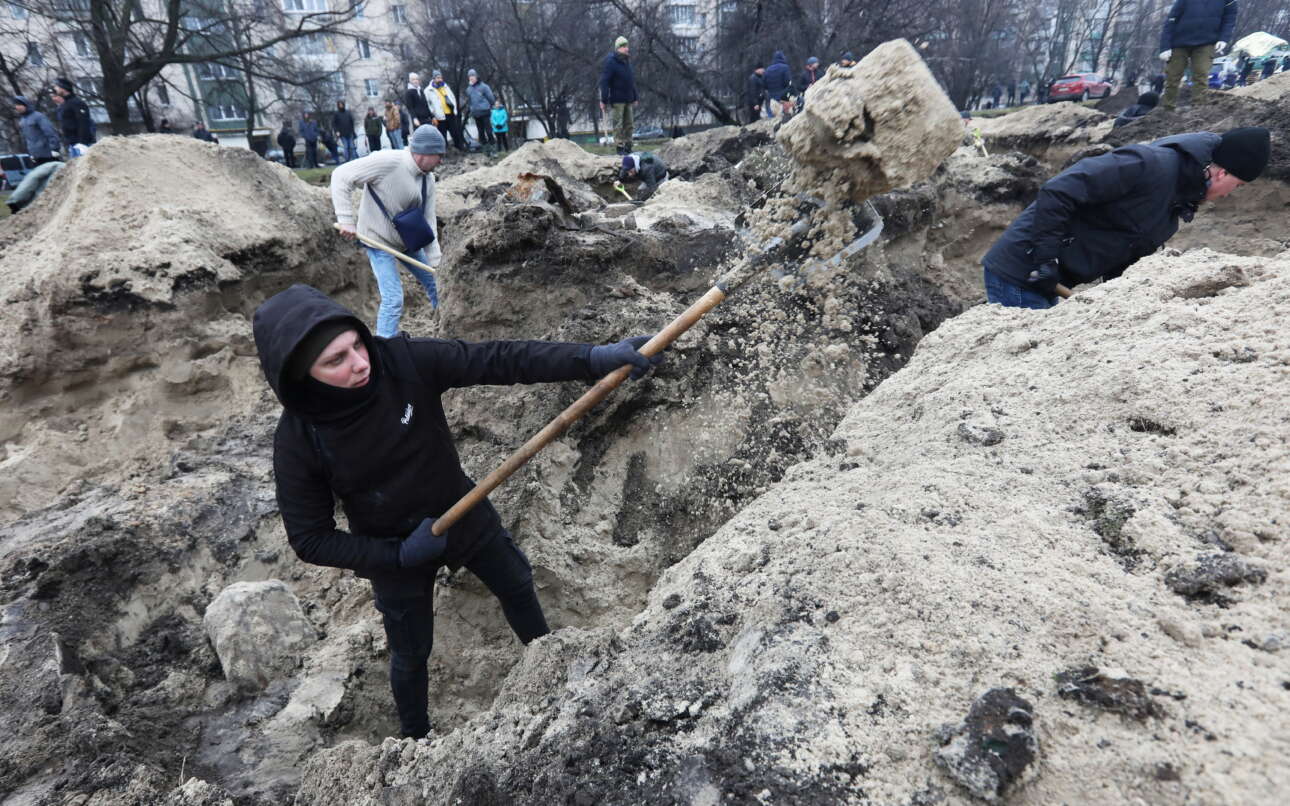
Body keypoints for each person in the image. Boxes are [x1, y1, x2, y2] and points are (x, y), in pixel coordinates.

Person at [250, 283, 663, 742]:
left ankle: (552, 664)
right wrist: (398, 555)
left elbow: (499, 359)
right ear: (302, 374)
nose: (360, 363)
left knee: (517, 585)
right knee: (410, 652)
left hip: (460, 508)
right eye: (336, 361)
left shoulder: (401, 362)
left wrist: (591, 359)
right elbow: (309, 539)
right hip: (391, 549)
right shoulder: (299, 440)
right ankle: (414, 740)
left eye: (356, 345)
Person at [981, 127, 1269, 309]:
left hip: (1052, 278)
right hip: (1021, 269)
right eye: (1238, 186)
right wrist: (1045, 258)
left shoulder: (1178, 199)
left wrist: (1117, 301)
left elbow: (1127, 248)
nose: (1230, 194)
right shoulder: (1148, 165)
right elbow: (1059, 191)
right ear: (1223, 173)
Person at [331, 125, 447, 336]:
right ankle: (383, 350)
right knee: (393, 299)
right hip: (378, 240)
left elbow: (428, 223)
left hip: (407, 241)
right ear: (424, 152)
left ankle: (447, 330)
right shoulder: (389, 162)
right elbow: (341, 175)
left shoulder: (427, 180)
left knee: (438, 285)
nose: (441, 161)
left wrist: (436, 262)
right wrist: (346, 219)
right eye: (439, 155)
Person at [1158, 0, 1238, 109]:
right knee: (1173, 77)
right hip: (1179, 42)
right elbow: (1171, 20)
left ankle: (1198, 110)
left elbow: (1229, 20)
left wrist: (1224, 38)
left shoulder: (1229, 1)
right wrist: (1165, 47)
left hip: (1206, 42)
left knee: (1201, 75)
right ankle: (1167, 109)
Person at [599, 36, 639, 154]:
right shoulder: (611, 61)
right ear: (618, 48)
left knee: (629, 124)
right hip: (617, 100)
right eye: (624, 46)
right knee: (618, 124)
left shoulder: (626, 61)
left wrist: (635, 96)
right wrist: (604, 100)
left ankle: (628, 146)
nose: (627, 49)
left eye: (627, 46)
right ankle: (620, 147)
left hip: (628, 99)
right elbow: (604, 81)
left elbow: (631, 80)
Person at [13, 95, 62, 165]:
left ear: (25, 105)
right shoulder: (22, 121)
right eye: (16, 105)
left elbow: (50, 132)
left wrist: (55, 149)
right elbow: (26, 139)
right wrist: (30, 154)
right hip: (35, 157)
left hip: (48, 155)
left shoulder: (38, 116)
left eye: (19, 105)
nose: (16, 107)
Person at [427, 70, 465, 151]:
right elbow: (428, 104)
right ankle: (444, 151)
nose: (440, 79)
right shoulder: (428, 90)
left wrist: (454, 109)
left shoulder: (445, 87)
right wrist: (433, 115)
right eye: (437, 78)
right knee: (442, 135)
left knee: (455, 133)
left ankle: (460, 148)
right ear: (433, 79)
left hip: (450, 113)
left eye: (440, 77)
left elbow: (452, 97)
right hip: (439, 116)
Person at [53, 78, 94, 151]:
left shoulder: (76, 103)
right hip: (72, 144)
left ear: (63, 88)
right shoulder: (65, 104)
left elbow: (83, 123)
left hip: (82, 145)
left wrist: (82, 143)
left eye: (57, 86)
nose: (55, 88)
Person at [464, 69, 496, 151]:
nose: (471, 78)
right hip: (476, 113)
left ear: (476, 76)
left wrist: (490, 105)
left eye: (473, 76)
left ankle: (493, 148)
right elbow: (469, 101)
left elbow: (491, 98)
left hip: (485, 111)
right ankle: (486, 149)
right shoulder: (469, 89)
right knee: (480, 132)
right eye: (470, 77)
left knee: (488, 131)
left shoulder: (484, 87)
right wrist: (471, 109)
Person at [763, 51, 792, 117]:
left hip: (772, 97)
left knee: (772, 117)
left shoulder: (767, 69)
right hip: (783, 96)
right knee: (784, 116)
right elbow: (787, 81)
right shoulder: (785, 67)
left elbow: (764, 84)